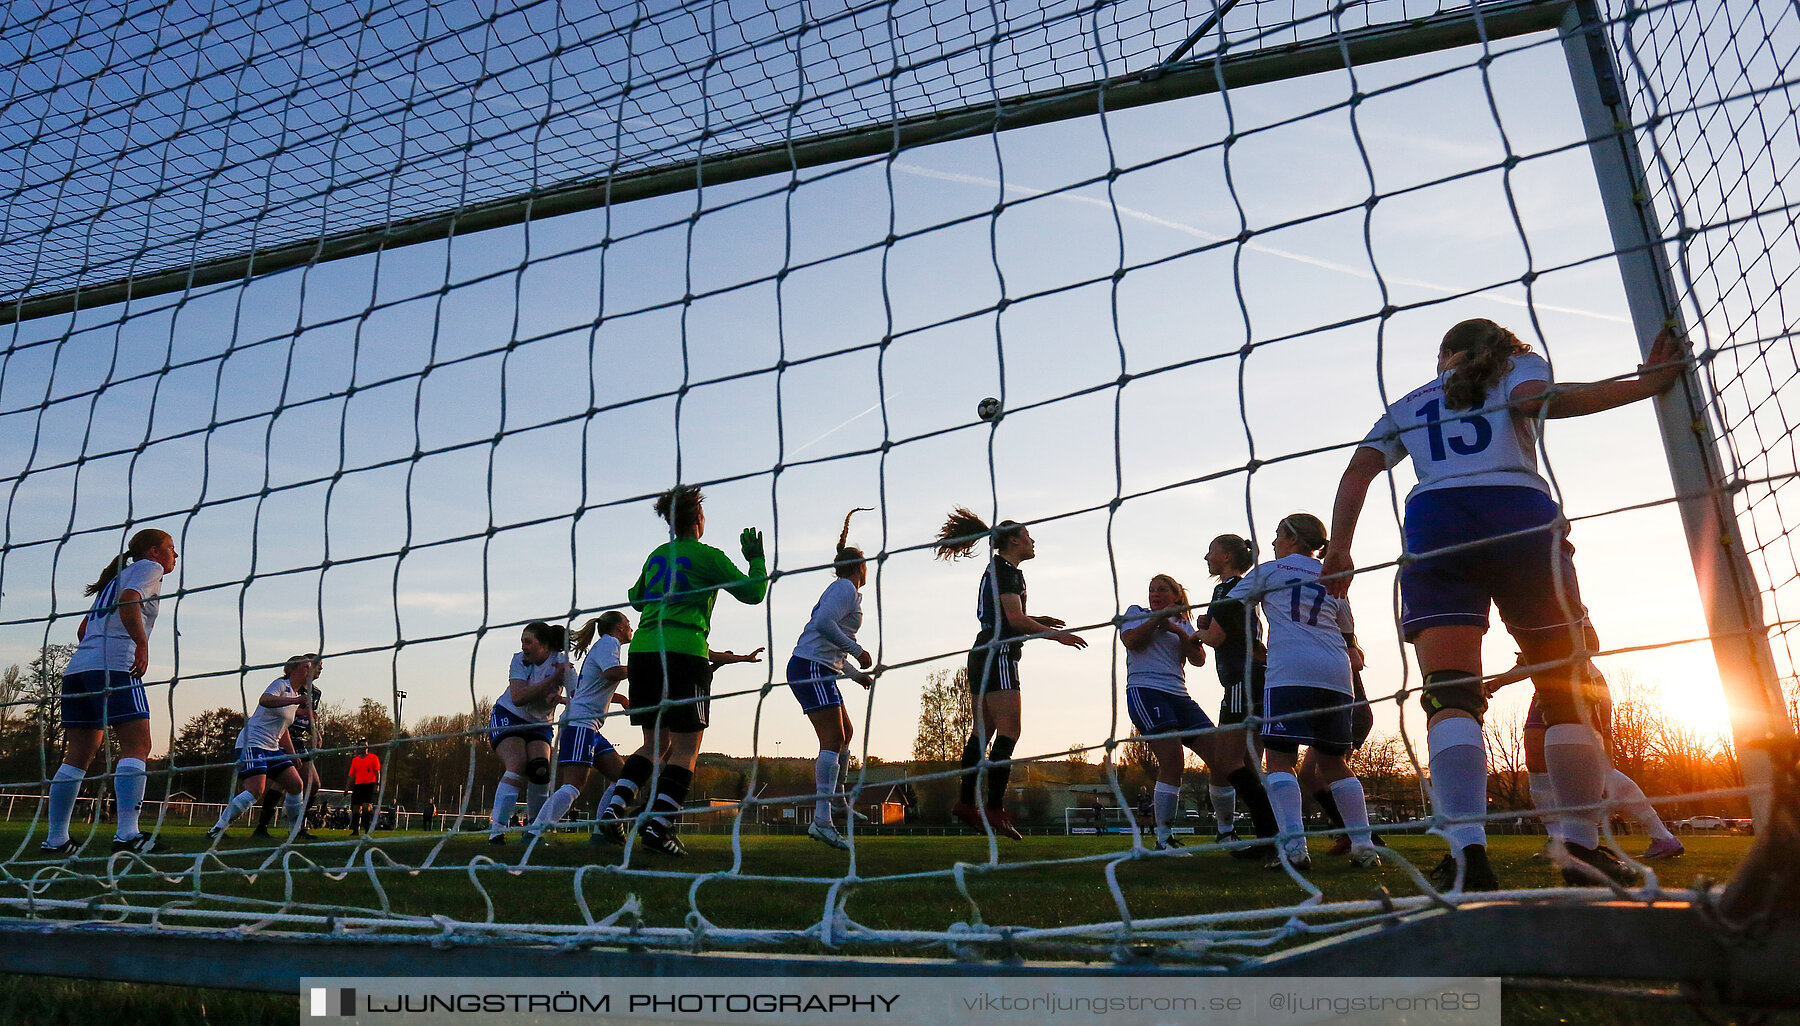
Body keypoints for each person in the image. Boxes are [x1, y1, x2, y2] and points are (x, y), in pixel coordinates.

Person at [1326, 317, 1688, 890]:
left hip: (1437, 524)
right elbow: (1542, 401)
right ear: (1502, 347)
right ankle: (1580, 848)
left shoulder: (1410, 402)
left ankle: (1467, 855)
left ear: (1443, 357)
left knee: (1450, 693)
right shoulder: (1518, 368)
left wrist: (1340, 549)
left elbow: (1358, 470)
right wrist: (1644, 383)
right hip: (1518, 513)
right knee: (1565, 687)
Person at [599, 486, 768, 856]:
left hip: (644, 651)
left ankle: (613, 812)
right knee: (686, 749)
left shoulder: (658, 555)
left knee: (654, 745)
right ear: (698, 520)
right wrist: (756, 559)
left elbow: (637, 598)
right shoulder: (707, 557)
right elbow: (754, 593)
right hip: (683, 652)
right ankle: (659, 826)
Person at [1206, 515, 1380, 871]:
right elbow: (1347, 631)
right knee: (1334, 763)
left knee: (1280, 760)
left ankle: (1294, 848)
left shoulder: (1271, 570)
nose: (1271, 542)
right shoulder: (1330, 573)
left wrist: (1201, 625)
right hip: (1335, 672)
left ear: (1290, 537)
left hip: (1290, 670)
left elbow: (1228, 607)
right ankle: (1364, 847)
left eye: (1276, 535)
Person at [934, 507, 1087, 840]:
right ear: (1015, 540)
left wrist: (1040, 621)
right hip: (999, 653)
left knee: (983, 731)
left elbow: (1011, 615)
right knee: (1010, 731)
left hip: (982, 650)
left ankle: (965, 804)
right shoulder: (1006, 571)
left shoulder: (999, 569)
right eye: (1028, 536)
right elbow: (1015, 621)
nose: (1033, 541)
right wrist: (1056, 636)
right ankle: (993, 808)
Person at [43, 528, 178, 856]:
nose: (175, 556)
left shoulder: (113, 578)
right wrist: (141, 644)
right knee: (138, 744)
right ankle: (127, 835)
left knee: (78, 755)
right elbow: (129, 601)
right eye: (171, 548)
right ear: (153, 550)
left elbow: (83, 629)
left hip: (78, 669)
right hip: (115, 665)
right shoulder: (149, 568)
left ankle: (56, 839)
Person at [1488, 651, 1684, 861]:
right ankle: (1558, 840)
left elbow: (1584, 641)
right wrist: (1498, 682)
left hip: (1585, 683)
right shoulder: (1515, 620)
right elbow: (1528, 661)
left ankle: (1662, 836)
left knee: (1600, 765)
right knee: (1535, 759)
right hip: (1547, 687)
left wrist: (1503, 678)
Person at [788, 508, 877, 851]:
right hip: (808, 667)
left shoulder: (843, 590)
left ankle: (837, 803)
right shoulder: (844, 589)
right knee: (833, 737)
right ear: (859, 568)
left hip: (817, 667)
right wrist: (857, 651)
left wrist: (854, 675)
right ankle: (822, 821)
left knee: (846, 734)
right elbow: (825, 625)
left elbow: (829, 644)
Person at [1193, 534, 1282, 858]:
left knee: (1225, 760)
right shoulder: (1243, 590)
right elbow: (1234, 630)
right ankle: (1273, 837)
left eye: (1211, 550)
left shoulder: (1225, 589)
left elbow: (1216, 639)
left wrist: (1196, 634)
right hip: (1260, 678)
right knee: (1250, 764)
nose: (1206, 556)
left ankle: (1271, 835)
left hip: (1241, 682)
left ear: (1227, 556)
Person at [1119, 574, 1220, 850]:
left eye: (1162, 589)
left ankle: (1226, 831)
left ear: (1176, 595)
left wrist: (1177, 629)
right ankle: (1164, 839)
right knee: (1173, 761)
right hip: (1146, 690)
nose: (1155, 593)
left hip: (1179, 694)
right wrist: (1157, 621)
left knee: (1220, 755)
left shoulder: (1184, 622)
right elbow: (1131, 641)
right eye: (1151, 589)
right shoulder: (1135, 613)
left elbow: (1198, 660)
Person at [528, 612, 632, 840]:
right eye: (628, 623)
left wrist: (621, 699)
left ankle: (601, 832)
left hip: (589, 726)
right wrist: (642, 667)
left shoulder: (606, 645)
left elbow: (591, 688)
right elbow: (611, 672)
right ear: (618, 628)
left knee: (623, 776)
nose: (630, 627)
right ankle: (534, 832)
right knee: (574, 786)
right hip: (579, 724)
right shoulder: (609, 643)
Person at [207, 656, 315, 842]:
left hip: (272, 748)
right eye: (306, 667)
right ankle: (217, 829)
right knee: (256, 789)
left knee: (296, 784)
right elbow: (264, 700)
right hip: (252, 743)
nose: (309, 671)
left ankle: (294, 831)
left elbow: (282, 730)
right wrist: (295, 701)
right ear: (291, 669)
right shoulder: (281, 684)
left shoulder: (296, 695)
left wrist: (291, 752)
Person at [486, 621, 571, 844]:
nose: (524, 646)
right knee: (517, 765)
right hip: (508, 715)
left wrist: (561, 698)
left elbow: (579, 694)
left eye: (528, 641)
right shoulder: (519, 660)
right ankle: (497, 830)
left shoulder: (561, 662)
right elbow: (518, 697)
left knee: (540, 771)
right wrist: (553, 679)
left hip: (540, 724)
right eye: (522, 641)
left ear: (544, 646)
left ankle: (533, 831)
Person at [254, 652, 322, 840]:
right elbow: (280, 709)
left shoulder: (315, 692)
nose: (321, 669)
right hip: (284, 737)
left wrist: (315, 732)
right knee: (288, 783)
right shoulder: (290, 686)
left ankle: (295, 824)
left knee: (309, 784)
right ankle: (269, 826)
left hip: (299, 739)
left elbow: (308, 716)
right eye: (317, 665)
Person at [348, 739, 383, 836]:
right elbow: (351, 775)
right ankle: (355, 830)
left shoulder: (373, 758)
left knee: (366, 808)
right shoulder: (355, 760)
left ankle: (366, 829)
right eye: (361, 745)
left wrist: (377, 784)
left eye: (365, 745)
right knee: (355, 808)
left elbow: (377, 772)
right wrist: (347, 788)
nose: (363, 747)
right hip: (358, 785)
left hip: (369, 785)